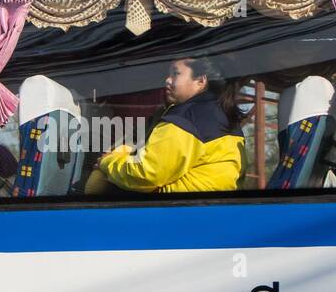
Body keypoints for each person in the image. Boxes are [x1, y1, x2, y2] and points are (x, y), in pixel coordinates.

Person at [91, 56, 245, 194]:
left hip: (176, 212)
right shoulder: (225, 116)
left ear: (201, 81)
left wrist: (107, 162)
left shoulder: (186, 118)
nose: (168, 80)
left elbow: (146, 173)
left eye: (176, 73)